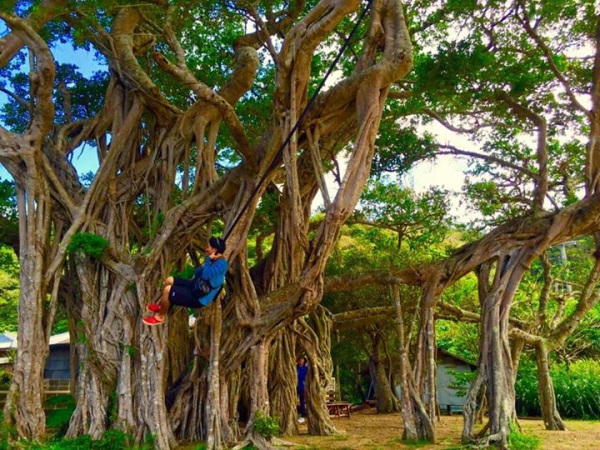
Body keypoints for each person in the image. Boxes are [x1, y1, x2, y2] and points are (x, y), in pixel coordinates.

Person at [143, 236, 228, 326]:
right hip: (195, 286)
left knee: (168, 289)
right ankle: (163, 307)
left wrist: (208, 260)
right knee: (169, 280)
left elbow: (206, 275)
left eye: (208, 247)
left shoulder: (221, 264)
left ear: (214, 250)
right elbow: (199, 272)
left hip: (198, 297)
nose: (206, 249)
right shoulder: (214, 260)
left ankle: (160, 317)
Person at [296, 356, 308, 423]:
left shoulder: (305, 368)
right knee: (293, 400)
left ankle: (302, 414)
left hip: (302, 386)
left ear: (304, 361)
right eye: (300, 359)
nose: (301, 360)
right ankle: (295, 413)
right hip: (294, 386)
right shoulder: (295, 367)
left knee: (302, 401)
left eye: (302, 359)